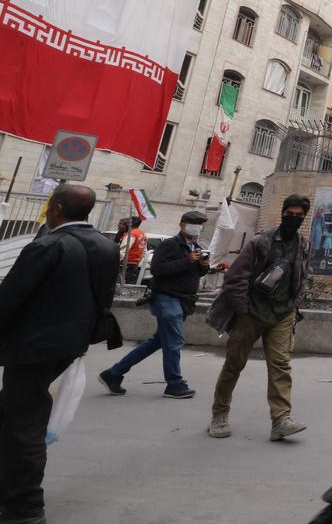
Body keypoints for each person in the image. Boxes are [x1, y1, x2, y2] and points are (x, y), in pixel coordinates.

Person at [0, 184, 117, 524]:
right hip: (69, 346)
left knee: (23, 426)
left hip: (33, 349)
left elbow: (10, 298)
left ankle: (25, 508)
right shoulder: (105, 246)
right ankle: (9, 489)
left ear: (56, 208)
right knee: (12, 416)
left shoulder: (48, 245)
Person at [205, 194, 312, 442]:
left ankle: (281, 420)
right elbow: (235, 277)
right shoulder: (261, 242)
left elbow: (302, 275)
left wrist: (294, 306)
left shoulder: (303, 244)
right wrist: (243, 308)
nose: (294, 219)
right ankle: (219, 414)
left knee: (281, 366)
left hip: (282, 314)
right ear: (282, 213)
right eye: (290, 215)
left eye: (299, 216)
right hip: (251, 313)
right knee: (234, 364)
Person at [98, 211, 210, 399]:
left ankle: (113, 373)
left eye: (200, 224)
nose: (196, 227)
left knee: (158, 341)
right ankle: (174, 384)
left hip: (183, 300)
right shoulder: (170, 245)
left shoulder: (196, 247)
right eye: (193, 223)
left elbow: (194, 274)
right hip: (167, 298)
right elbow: (158, 269)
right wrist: (187, 260)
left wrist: (203, 265)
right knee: (174, 342)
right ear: (182, 224)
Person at [123, 216, 147, 284]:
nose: (126, 223)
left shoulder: (132, 233)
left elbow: (124, 249)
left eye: (128, 221)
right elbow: (144, 251)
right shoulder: (142, 234)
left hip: (126, 263)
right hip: (135, 264)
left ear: (131, 223)